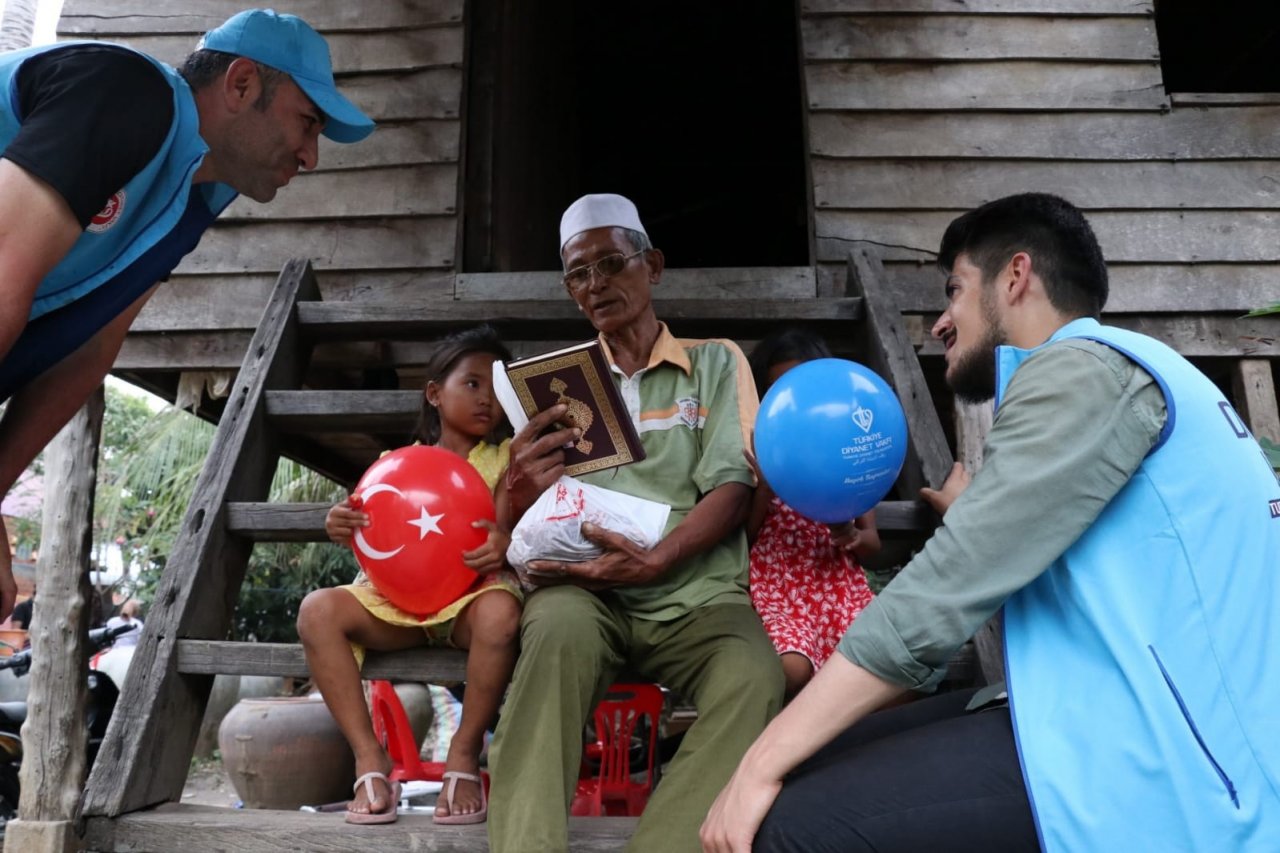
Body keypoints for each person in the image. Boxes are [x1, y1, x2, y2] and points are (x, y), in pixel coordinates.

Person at [702, 192, 1280, 852]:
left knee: (787, 822)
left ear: (1016, 276)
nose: (941, 323)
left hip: (1173, 766)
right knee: (816, 760)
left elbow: (948, 588)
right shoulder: (1117, 370)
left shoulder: (1082, 368)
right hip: (1114, 711)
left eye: (955, 291)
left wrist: (756, 762)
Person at [0, 8, 375, 623]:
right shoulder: (127, 92)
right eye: (307, 122)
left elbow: (89, 350)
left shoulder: (189, 201)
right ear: (242, 84)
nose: (311, 156)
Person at [487, 193, 784, 853]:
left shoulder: (714, 362)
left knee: (754, 677)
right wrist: (518, 484)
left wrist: (658, 559)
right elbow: (524, 516)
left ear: (652, 266)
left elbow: (734, 484)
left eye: (611, 264)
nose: (596, 285)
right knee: (553, 634)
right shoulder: (561, 384)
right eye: (578, 274)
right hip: (588, 590)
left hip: (696, 594)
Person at [297, 325, 523, 826]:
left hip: (469, 600)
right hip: (397, 606)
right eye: (473, 384)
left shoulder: (509, 460)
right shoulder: (391, 468)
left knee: (502, 613)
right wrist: (344, 524)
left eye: (499, 390)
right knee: (317, 611)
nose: (487, 399)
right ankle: (368, 754)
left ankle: (465, 752)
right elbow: (376, 541)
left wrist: (503, 542)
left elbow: (507, 529)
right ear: (434, 393)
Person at [745, 329, 881, 698]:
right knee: (792, 667)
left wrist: (850, 534)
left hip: (834, 583)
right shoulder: (760, 449)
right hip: (777, 583)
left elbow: (871, 543)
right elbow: (745, 537)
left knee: (873, 668)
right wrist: (764, 487)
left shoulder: (847, 454)